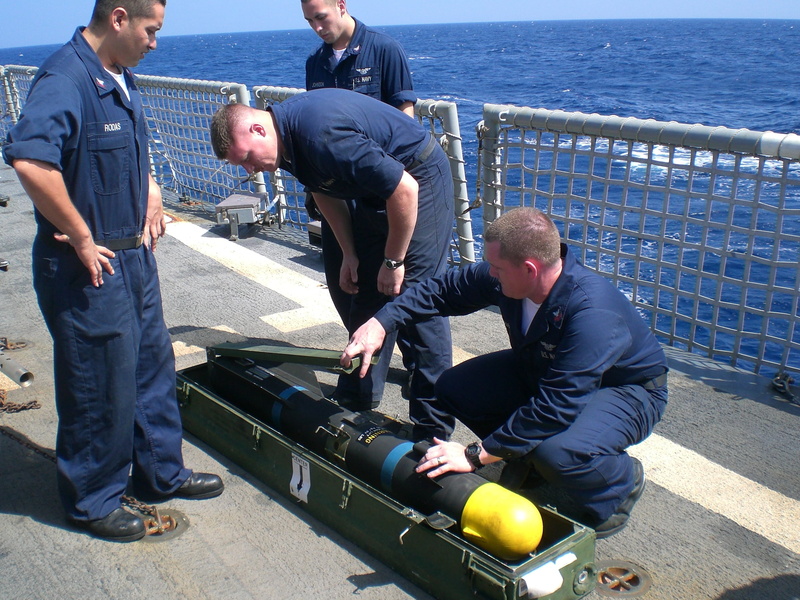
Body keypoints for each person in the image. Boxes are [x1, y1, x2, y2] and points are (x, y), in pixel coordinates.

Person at [3, 0, 223, 543]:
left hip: (134, 256)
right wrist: (79, 235)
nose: (156, 42)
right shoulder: (65, 77)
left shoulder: (117, 76)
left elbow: (131, 144)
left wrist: (150, 187)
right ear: (120, 18)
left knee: (151, 367)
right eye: (151, 30)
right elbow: (31, 160)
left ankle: (160, 473)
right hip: (88, 265)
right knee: (99, 383)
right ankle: (93, 498)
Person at [340, 207, 669, 538]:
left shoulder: (592, 313)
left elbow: (557, 406)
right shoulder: (512, 279)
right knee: (454, 387)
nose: (491, 274)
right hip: (548, 371)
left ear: (529, 269)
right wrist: (381, 322)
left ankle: (618, 485)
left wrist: (476, 455)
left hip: (627, 391)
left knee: (558, 452)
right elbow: (440, 290)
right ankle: (525, 457)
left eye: (497, 268)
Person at [210, 89, 455, 441]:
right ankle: (357, 395)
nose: (251, 169)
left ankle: (433, 429)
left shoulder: (320, 135)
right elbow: (323, 190)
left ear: (257, 130)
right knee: (367, 290)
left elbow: (404, 190)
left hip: (419, 180)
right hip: (373, 192)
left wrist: (394, 260)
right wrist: (350, 253)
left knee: (417, 300)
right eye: (242, 165)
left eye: (247, 157)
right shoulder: (286, 141)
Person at [301, 0, 420, 409]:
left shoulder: (384, 50)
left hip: (380, 191)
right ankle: (362, 350)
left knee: (390, 286)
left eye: (322, 16)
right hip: (338, 193)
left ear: (341, 5)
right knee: (342, 283)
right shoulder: (315, 63)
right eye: (309, 21)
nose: (318, 27)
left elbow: (405, 120)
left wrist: (394, 194)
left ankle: (375, 384)